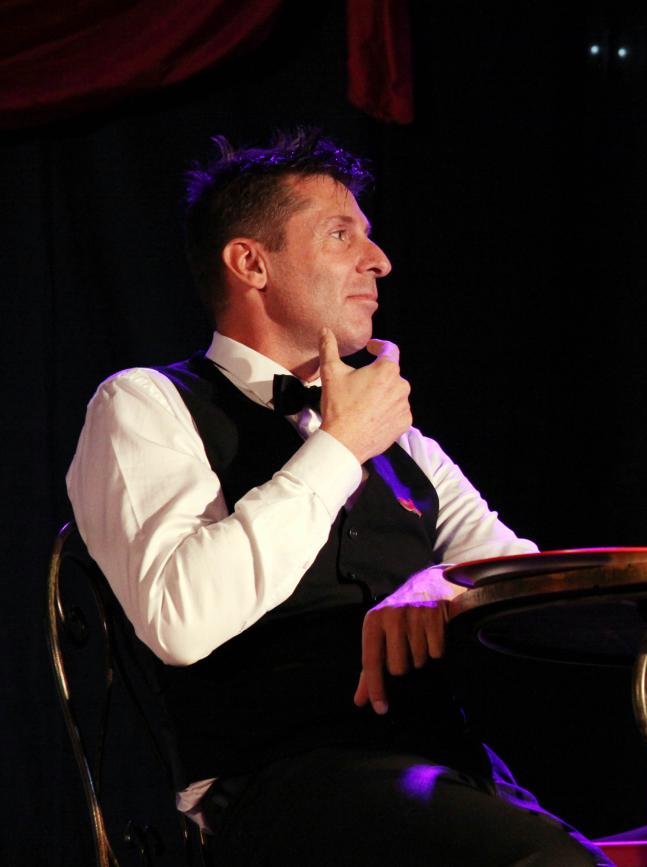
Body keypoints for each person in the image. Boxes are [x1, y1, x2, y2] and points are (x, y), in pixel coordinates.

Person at [67, 129, 609, 866]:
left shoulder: (402, 440)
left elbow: (524, 583)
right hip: (280, 788)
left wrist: (446, 582)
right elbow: (179, 619)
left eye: (369, 236)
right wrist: (340, 446)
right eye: (340, 234)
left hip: (442, 772)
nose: (378, 260)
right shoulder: (146, 404)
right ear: (251, 262)